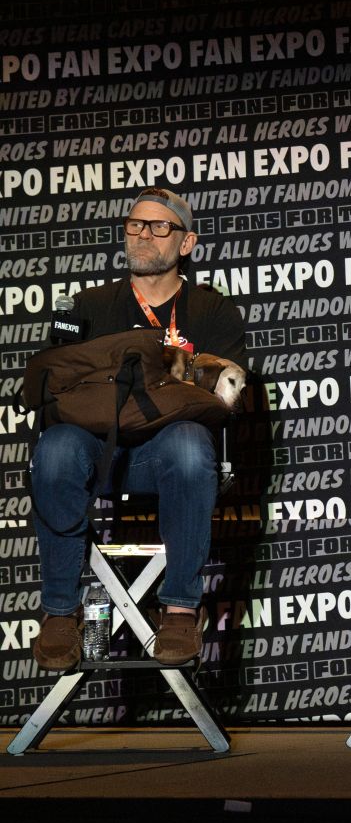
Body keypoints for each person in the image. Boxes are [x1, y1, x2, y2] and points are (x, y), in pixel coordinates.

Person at [30, 187, 247, 671]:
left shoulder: (213, 310)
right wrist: (177, 374)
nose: (143, 234)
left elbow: (226, 393)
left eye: (159, 226)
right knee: (57, 446)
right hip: (97, 450)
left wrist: (141, 366)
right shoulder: (86, 306)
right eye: (135, 224)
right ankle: (60, 612)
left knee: (189, 443)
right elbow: (56, 387)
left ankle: (180, 609)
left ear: (186, 243)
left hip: (165, 456)